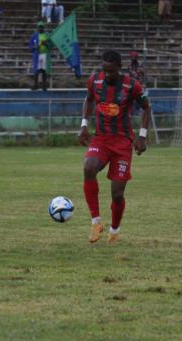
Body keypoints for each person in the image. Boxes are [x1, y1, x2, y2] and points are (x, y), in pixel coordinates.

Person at [78, 50, 150, 244]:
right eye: (105, 70)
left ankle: (114, 229)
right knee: (88, 167)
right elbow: (89, 99)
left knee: (117, 193)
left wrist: (142, 136)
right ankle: (96, 222)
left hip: (122, 143)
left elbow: (146, 107)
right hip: (101, 139)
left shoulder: (131, 85)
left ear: (119, 67)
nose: (107, 74)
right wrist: (84, 125)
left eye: (111, 71)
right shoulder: (94, 81)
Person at [29, 21, 52, 91]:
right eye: (39, 27)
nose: (41, 28)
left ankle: (44, 85)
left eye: (42, 27)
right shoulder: (34, 36)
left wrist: (46, 44)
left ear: (44, 28)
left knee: (44, 70)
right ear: (37, 28)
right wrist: (36, 47)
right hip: (37, 55)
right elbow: (30, 46)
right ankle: (36, 84)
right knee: (37, 70)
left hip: (45, 54)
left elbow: (51, 45)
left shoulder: (47, 35)